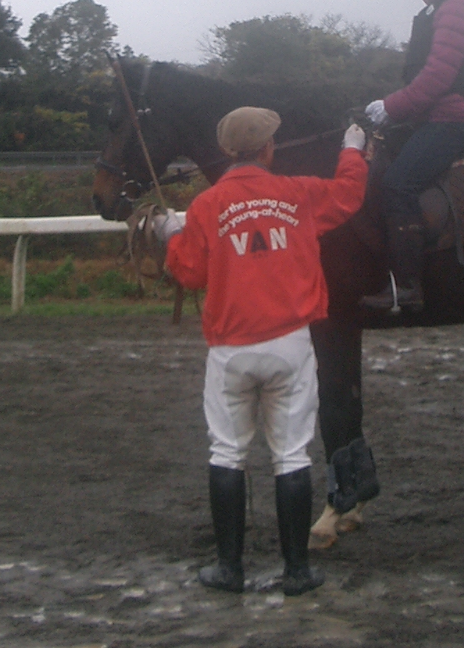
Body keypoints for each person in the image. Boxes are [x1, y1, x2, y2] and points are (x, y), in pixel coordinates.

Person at [154, 106, 368, 596]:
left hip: (230, 351)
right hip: (290, 346)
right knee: (291, 455)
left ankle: (229, 569)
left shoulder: (207, 205)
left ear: (228, 151)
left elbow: (189, 272)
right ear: (269, 148)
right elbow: (349, 195)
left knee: (227, 453)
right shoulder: (298, 193)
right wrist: (352, 150)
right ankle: (296, 571)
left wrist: (172, 234)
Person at [360, 0, 464, 313]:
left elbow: (437, 78)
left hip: (454, 118)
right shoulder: (440, 7)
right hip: (433, 116)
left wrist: (392, 107)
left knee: (398, 183)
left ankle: (407, 286)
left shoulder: (457, 6)